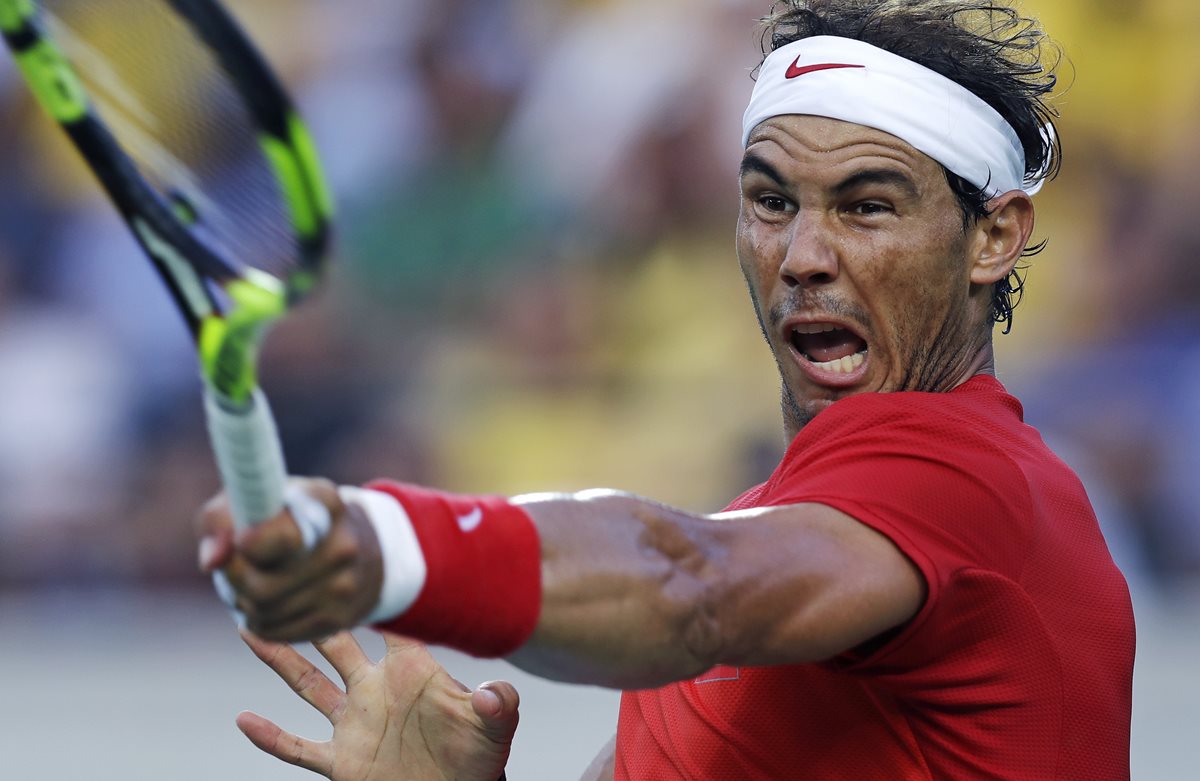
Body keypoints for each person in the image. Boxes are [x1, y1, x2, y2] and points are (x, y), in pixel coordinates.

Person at [196, 1, 1136, 778]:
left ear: (994, 237)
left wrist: (383, 544)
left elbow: (683, 585)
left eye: (867, 206)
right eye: (771, 201)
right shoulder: (775, 540)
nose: (803, 256)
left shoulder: (969, 477)